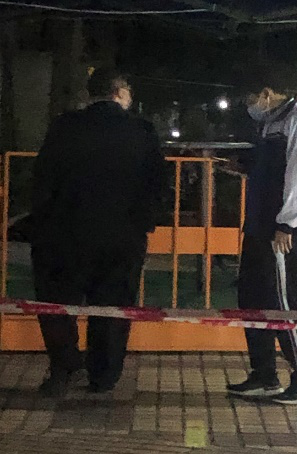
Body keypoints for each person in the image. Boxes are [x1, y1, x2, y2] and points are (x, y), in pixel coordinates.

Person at [31, 68, 165, 396]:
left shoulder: (64, 126)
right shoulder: (142, 131)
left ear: (90, 94)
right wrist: (143, 223)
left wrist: (43, 222)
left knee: (58, 304)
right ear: (120, 92)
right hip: (122, 236)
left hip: (65, 233)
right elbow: (156, 185)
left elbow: (43, 178)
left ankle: (64, 366)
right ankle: (104, 374)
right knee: (112, 307)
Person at [226, 77, 297, 405]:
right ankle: (263, 374)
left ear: (266, 93)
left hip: (279, 229)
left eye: (250, 98)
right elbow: (270, 169)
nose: (249, 107)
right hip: (257, 225)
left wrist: (287, 224)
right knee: (252, 299)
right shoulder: (268, 123)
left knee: (282, 303)